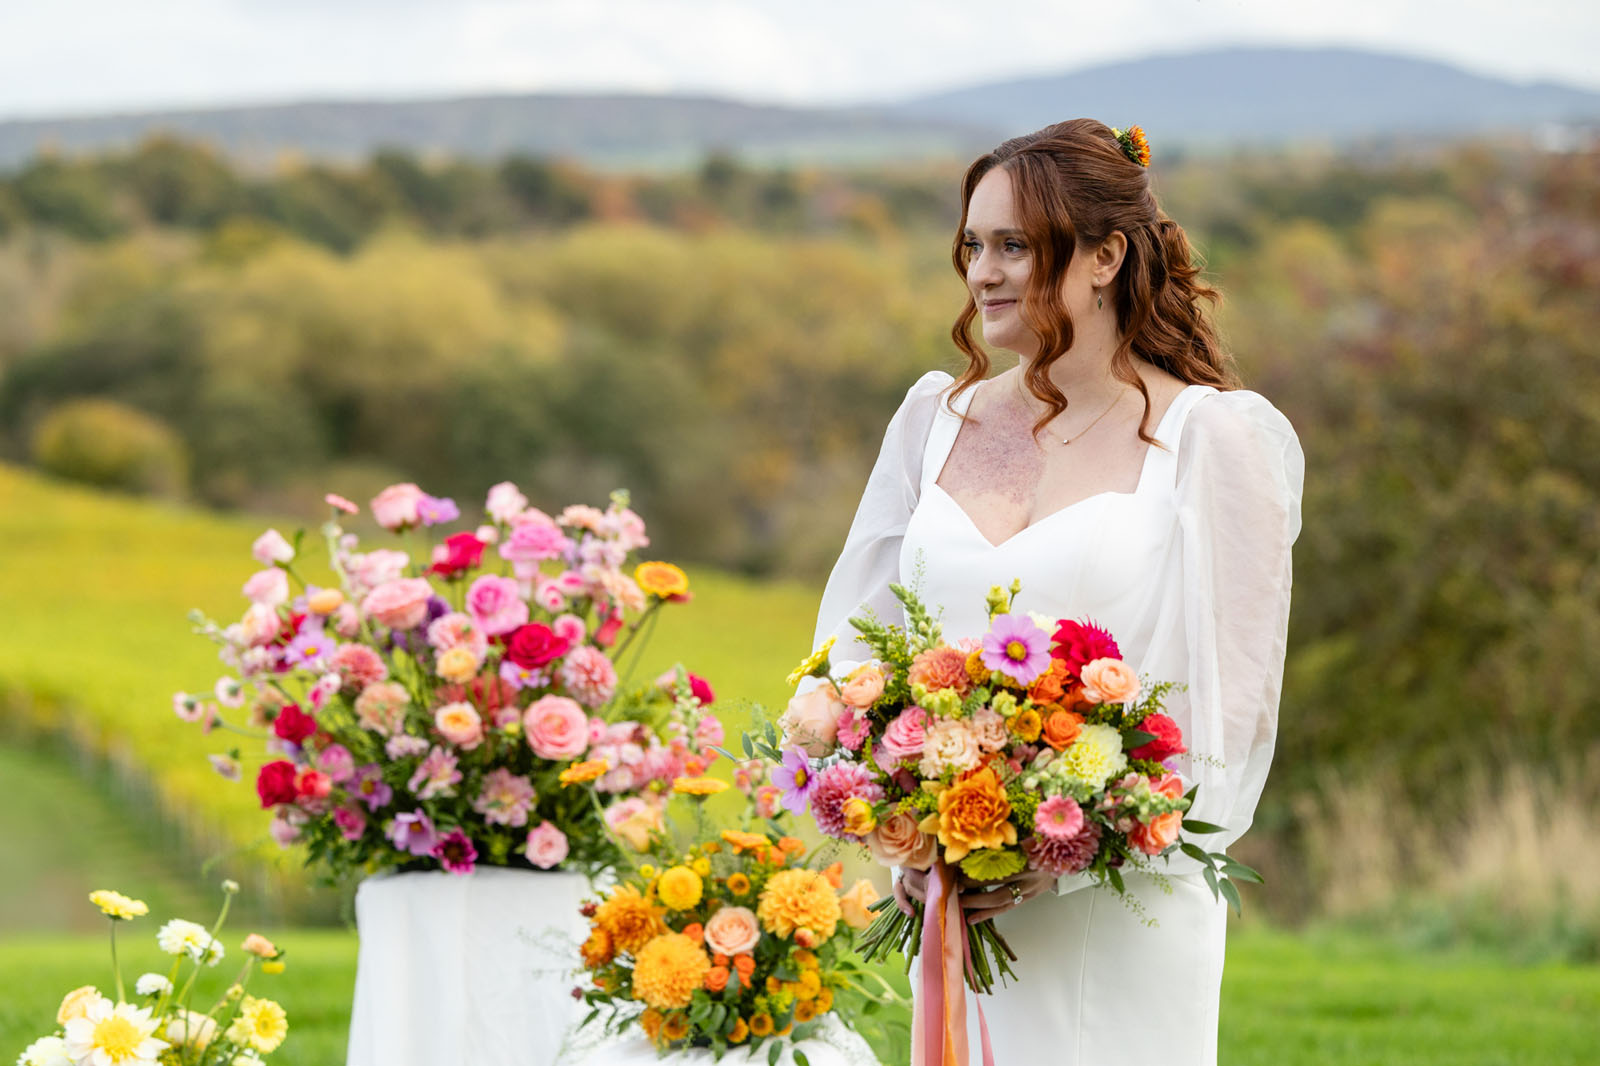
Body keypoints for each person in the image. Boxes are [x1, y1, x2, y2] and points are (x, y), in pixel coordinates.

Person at [807, 119, 1303, 1064]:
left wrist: (1068, 851)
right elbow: (853, 650)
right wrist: (903, 828)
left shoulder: (1211, 439)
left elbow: (1229, 720)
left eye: (1015, 246)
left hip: (1121, 909)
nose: (983, 273)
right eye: (973, 246)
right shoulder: (931, 422)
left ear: (1106, 256)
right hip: (954, 892)